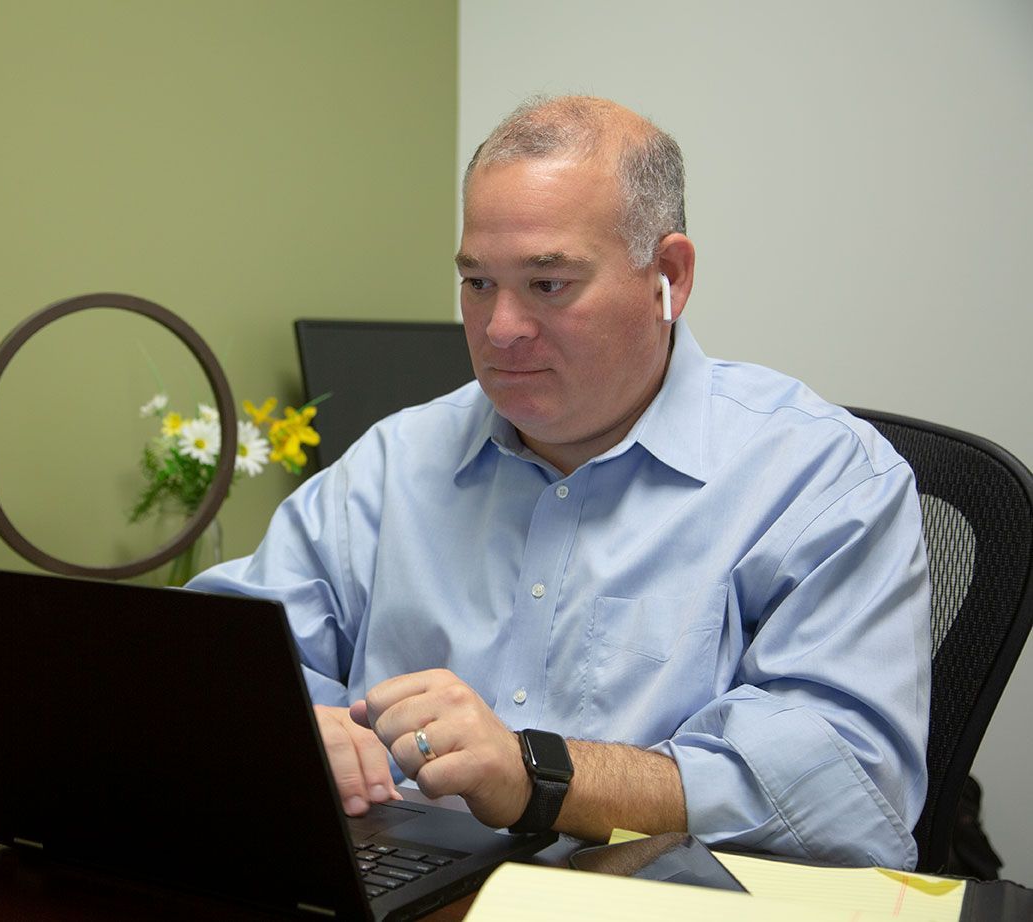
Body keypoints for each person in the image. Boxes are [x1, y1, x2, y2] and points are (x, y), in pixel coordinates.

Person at [190, 96, 930, 869]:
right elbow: (204, 664)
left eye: (548, 285)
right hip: (407, 886)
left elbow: (850, 795)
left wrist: (540, 776)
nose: (499, 328)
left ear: (667, 277)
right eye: (477, 283)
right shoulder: (395, 462)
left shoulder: (821, 478)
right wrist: (298, 725)